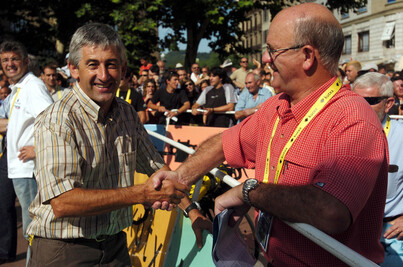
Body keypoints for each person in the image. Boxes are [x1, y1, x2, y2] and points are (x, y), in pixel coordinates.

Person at [152, 3, 388, 265]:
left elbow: (331, 211)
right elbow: (226, 142)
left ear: (307, 55)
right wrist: (180, 177)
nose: (264, 59)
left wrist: (250, 191)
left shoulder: (353, 119)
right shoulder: (276, 106)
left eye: (272, 51)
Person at [26, 23, 187, 267]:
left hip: (115, 246)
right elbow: (63, 202)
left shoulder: (126, 113)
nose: (104, 75)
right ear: (73, 69)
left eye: (111, 64)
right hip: (64, 251)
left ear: (123, 70)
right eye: (93, 64)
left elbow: (158, 170)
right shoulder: (57, 120)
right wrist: (140, 193)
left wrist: (193, 211)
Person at [0, 40, 54, 264]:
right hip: (17, 168)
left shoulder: (33, 86)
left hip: (28, 169)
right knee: (32, 228)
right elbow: (17, 123)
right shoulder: (18, 89)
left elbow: (52, 120)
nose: (10, 64)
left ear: (25, 62)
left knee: (33, 229)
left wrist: (37, 149)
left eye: (14, 59)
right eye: (5, 60)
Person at [353, 73, 403, 266]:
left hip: (390, 234)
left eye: (370, 101)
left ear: (389, 103)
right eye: (356, 100)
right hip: (350, 231)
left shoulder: (400, 136)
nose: (360, 107)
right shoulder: (340, 133)